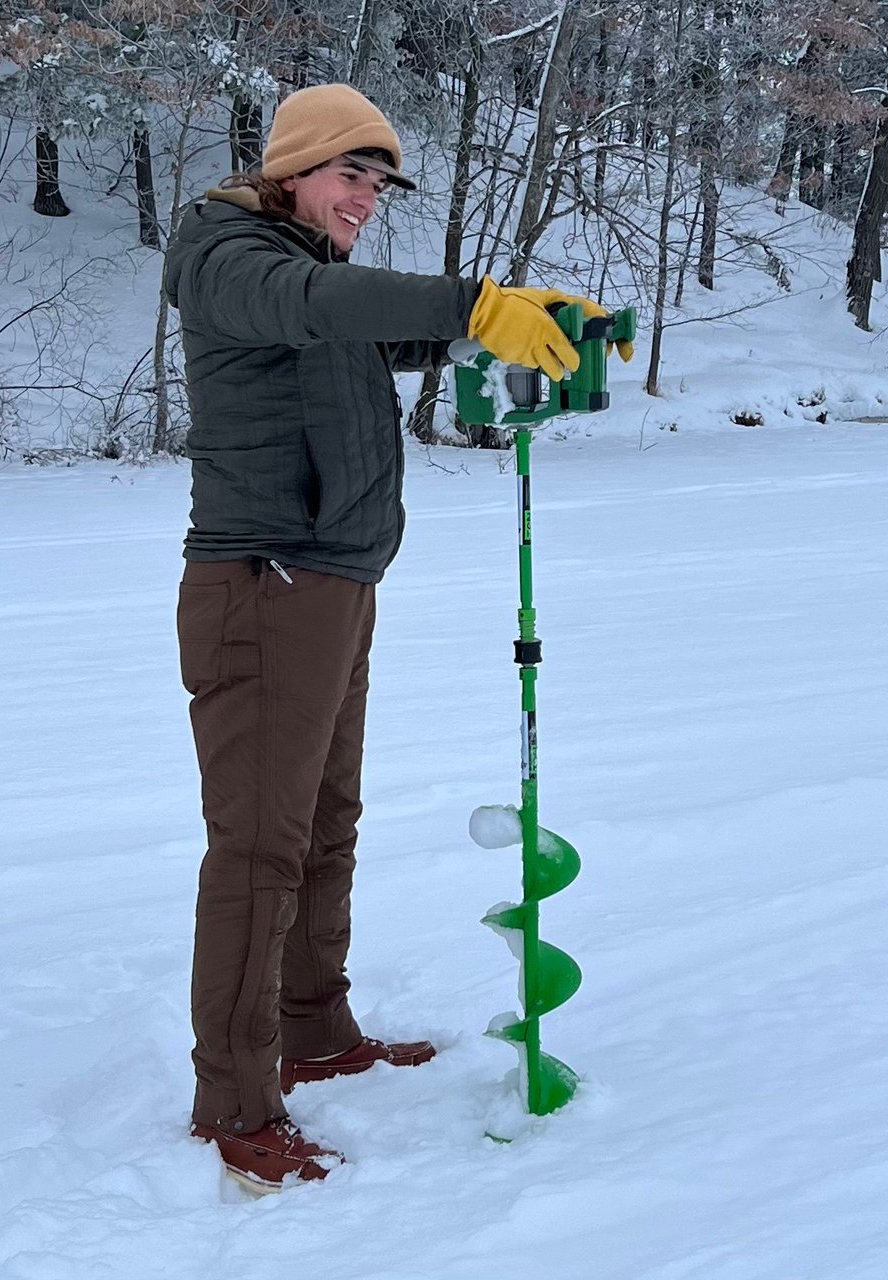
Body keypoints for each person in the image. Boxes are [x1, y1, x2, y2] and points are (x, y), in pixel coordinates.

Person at [164, 82, 604, 1191]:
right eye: (350, 174)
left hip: (329, 580)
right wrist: (475, 298)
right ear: (294, 169)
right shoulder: (231, 256)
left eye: (378, 181)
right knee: (259, 847)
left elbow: (371, 322)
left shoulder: (303, 269)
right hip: (261, 583)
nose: (366, 196)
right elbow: (317, 308)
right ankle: (232, 1100)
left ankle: (315, 1028)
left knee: (322, 822)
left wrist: (499, 314)